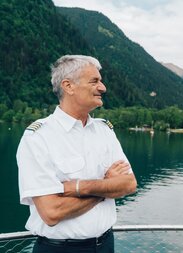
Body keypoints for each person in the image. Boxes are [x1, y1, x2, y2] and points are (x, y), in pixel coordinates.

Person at [17, 55, 137, 253]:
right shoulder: (38, 137)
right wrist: (105, 188)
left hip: (106, 245)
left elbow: (129, 184)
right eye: (94, 81)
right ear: (68, 86)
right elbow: (52, 212)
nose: (103, 87)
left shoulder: (104, 130)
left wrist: (78, 187)